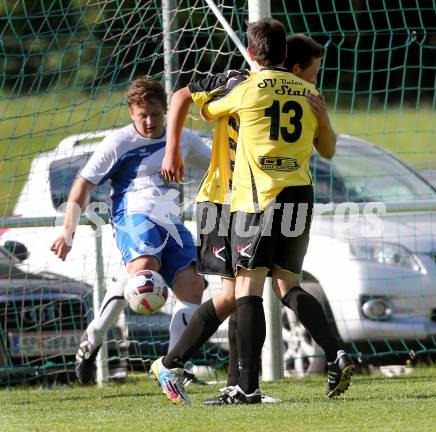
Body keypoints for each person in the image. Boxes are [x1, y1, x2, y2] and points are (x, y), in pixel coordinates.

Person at [154, 23, 353, 406]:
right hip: (289, 196)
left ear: (251, 51)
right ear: (291, 63)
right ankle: (333, 352)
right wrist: (173, 147)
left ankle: (233, 381)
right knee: (274, 285)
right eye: (312, 71)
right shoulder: (309, 93)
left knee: (243, 291)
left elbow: (200, 103)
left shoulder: (243, 89)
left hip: (250, 200)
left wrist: (176, 146)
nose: (315, 78)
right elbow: (327, 149)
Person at [50, 79, 210, 384]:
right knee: (146, 274)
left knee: (193, 289)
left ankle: (172, 367)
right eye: (142, 116)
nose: (149, 122)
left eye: (155, 114)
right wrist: (67, 232)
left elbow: (218, 163)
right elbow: (83, 185)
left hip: (171, 222)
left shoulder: (183, 139)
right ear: (131, 113)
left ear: (166, 110)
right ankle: (96, 337)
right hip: (133, 217)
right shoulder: (118, 143)